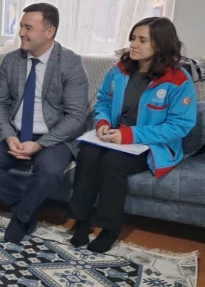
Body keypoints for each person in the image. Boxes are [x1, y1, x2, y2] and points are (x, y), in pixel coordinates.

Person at [69, 17, 196, 253]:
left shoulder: (178, 79)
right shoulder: (118, 70)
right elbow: (103, 101)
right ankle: (82, 219)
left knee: (112, 162)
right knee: (87, 153)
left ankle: (110, 228)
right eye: (133, 38)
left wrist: (129, 135)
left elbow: (179, 125)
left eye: (142, 40)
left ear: (160, 44)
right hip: (113, 135)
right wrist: (102, 123)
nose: (133, 45)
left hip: (150, 144)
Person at [0, 3, 89, 243]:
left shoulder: (71, 63)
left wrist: (40, 144)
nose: (21, 33)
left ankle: (21, 217)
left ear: (49, 32)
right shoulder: (11, 60)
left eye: (28, 28)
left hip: (53, 137)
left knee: (50, 172)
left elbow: (76, 116)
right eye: (21, 27)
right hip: (14, 131)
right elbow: (0, 104)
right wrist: (8, 135)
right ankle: (25, 208)